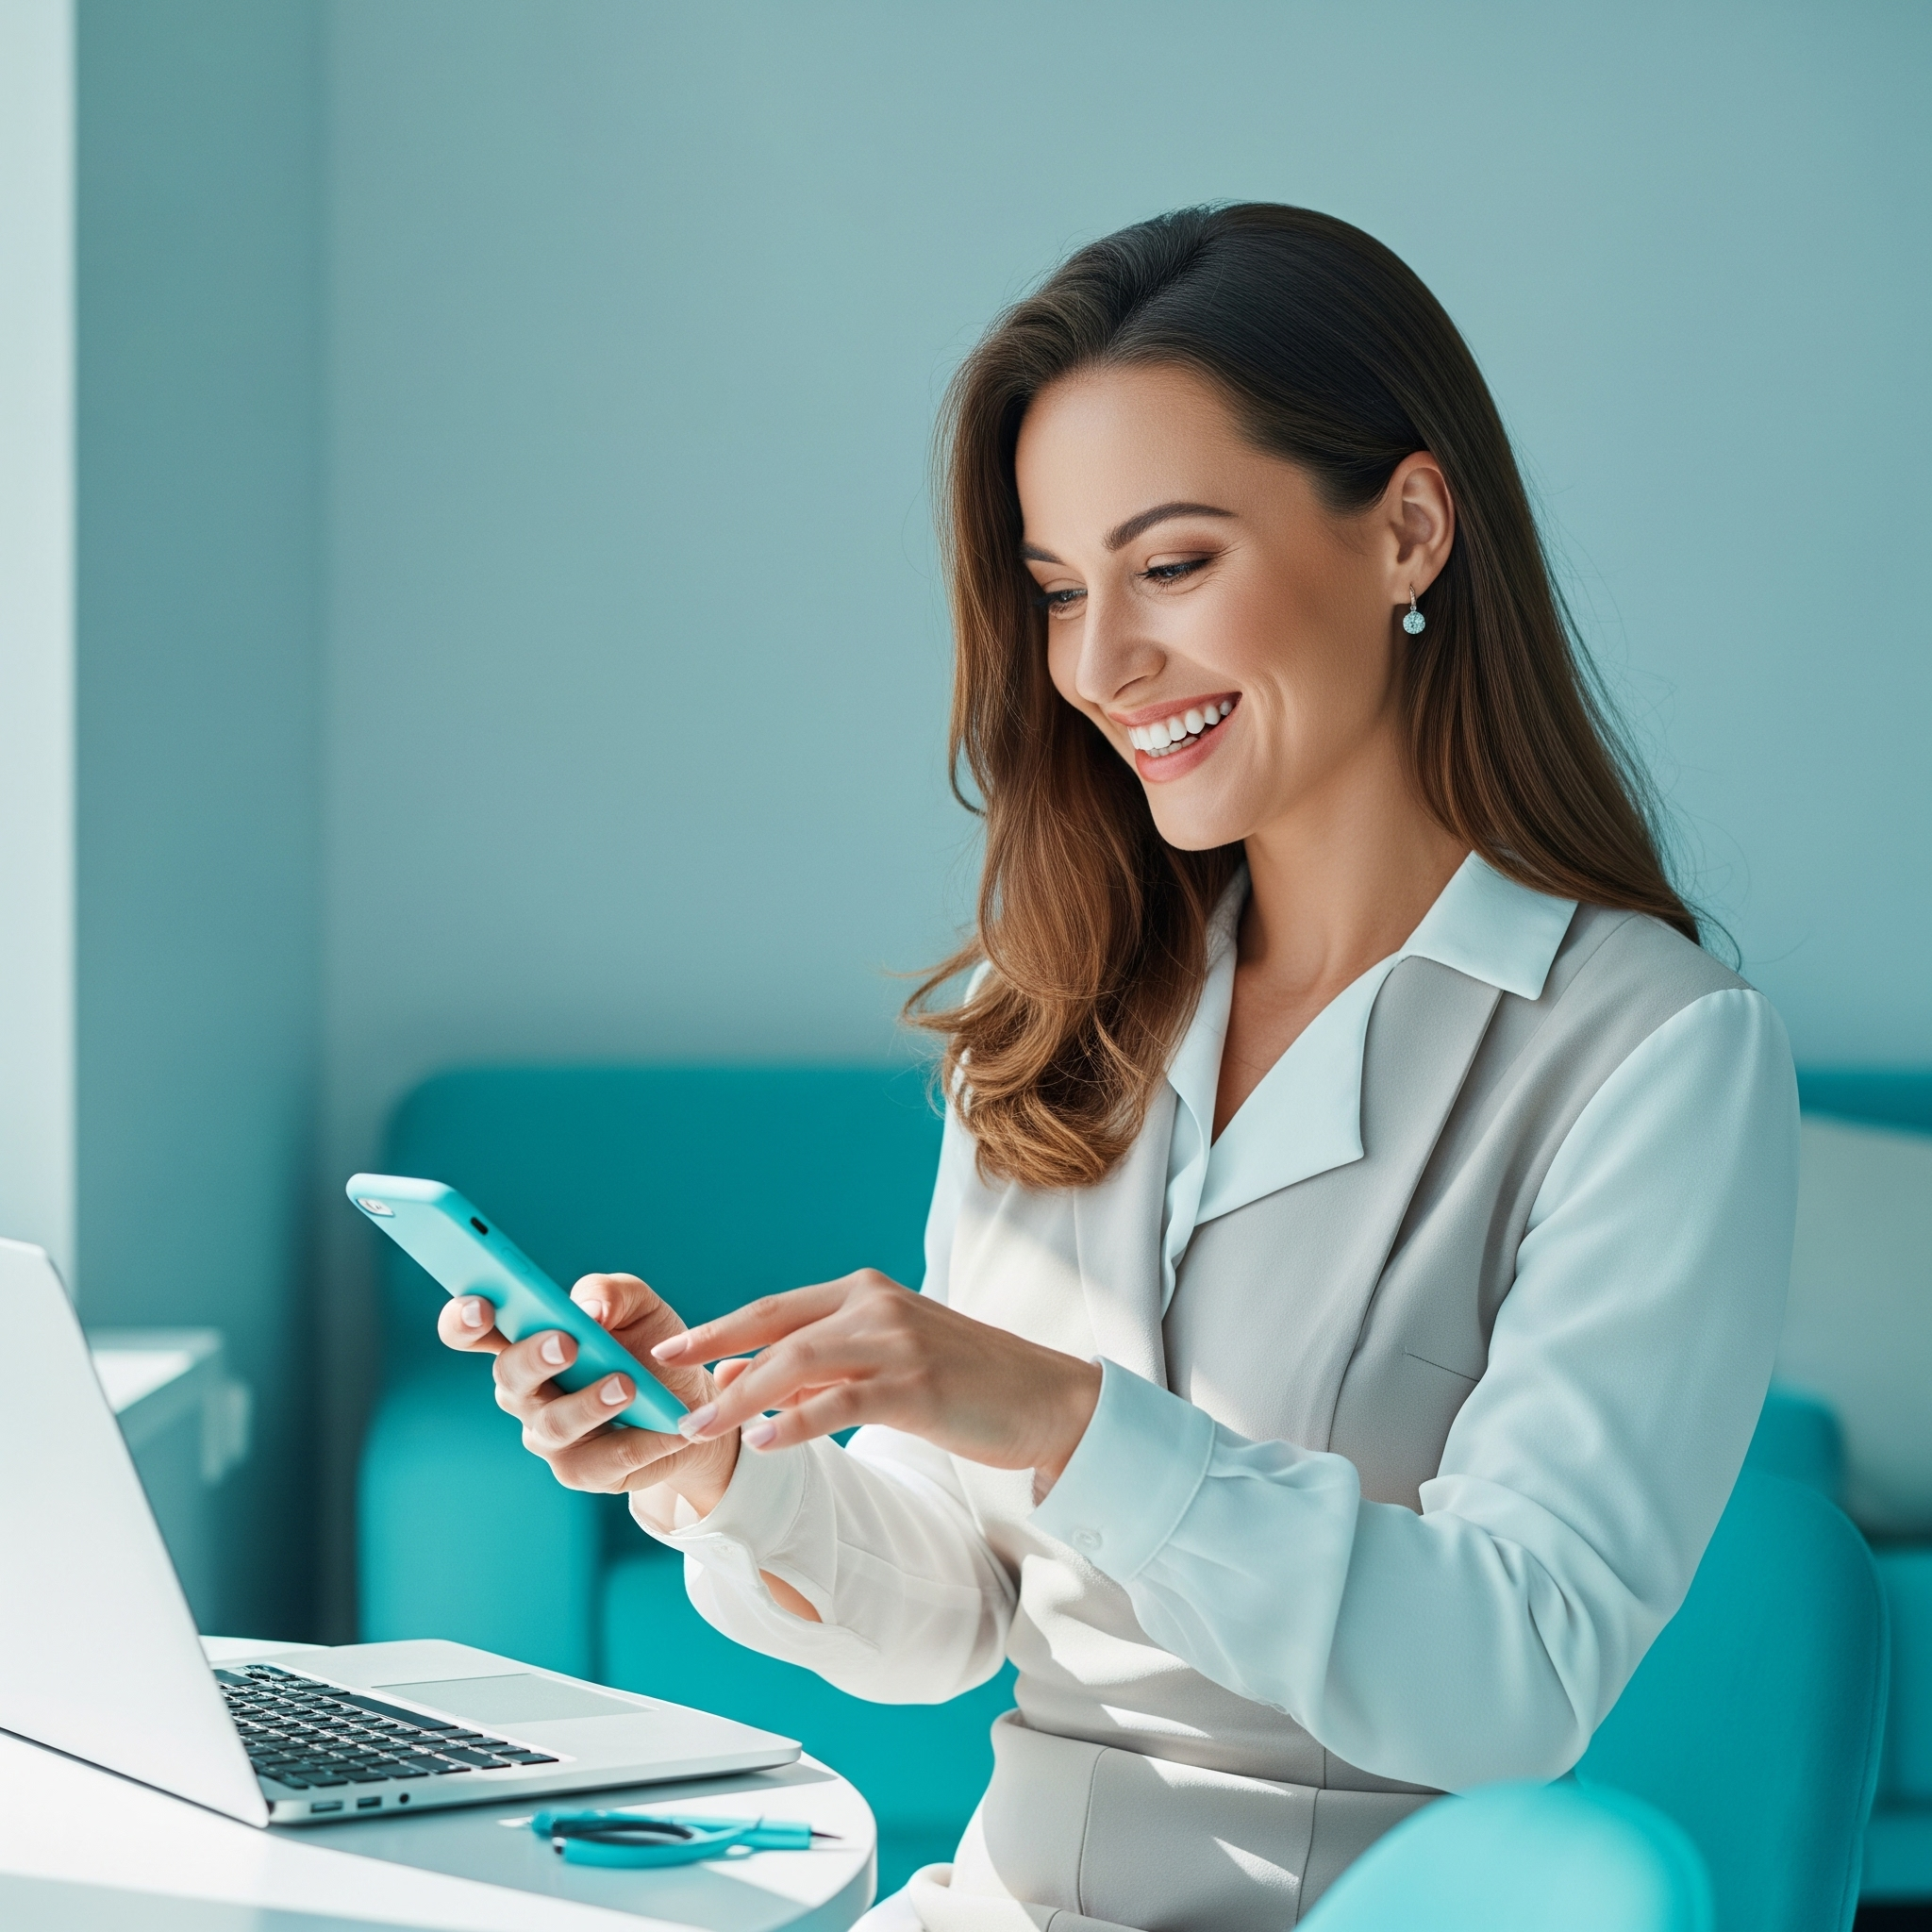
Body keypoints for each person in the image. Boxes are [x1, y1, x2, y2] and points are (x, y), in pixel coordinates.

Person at [440, 205, 1799, 1930]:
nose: (1098, 666)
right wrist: (711, 1461)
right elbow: (952, 1619)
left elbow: (1514, 1674)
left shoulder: (1655, 1051)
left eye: (1171, 567)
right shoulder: (1064, 1003)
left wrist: (1066, 1416)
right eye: (1060, 592)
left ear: (1407, 530)